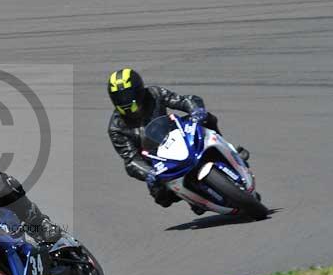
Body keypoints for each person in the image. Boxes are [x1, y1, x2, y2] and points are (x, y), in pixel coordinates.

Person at [107, 67, 249, 214]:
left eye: (127, 95)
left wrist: (196, 111)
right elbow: (130, 160)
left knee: (207, 119)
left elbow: (182, 100)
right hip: (157, 160)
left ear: (139, 90)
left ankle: (228, 152)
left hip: (177, 136)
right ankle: (193, 198)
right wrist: (150, 173)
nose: (124, 100)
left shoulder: (154, 93)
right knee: (162, 197)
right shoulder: (116, 128)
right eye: (119, 97)